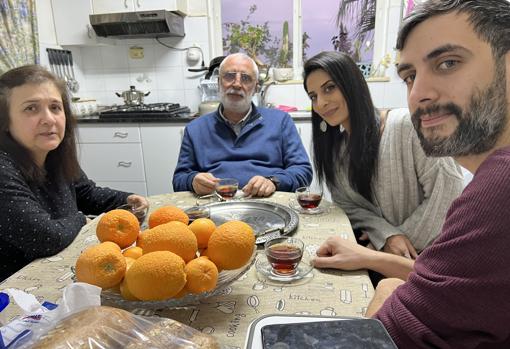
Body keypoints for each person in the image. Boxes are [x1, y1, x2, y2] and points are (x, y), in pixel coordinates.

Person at [314, 0, 510, 347]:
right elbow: (354, 208)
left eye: (448, 63)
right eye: (409, 77)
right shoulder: (335, 148)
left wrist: (386, 265)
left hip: (421, 255)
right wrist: (387, 236)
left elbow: (385, 334)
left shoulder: (498, 186)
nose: (418, 93)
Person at [303, 51, 463, 260]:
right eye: (313, 96)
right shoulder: (336, 153)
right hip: (381, 257)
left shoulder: (407, 126)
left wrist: (397, 243)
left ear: (353, 85)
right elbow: (348, 207)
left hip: (437, 257)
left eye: (329, 88)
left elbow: (448, 192)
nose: (321, 103)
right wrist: (386, 236)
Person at [0, 65, 149, 281]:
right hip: (15, 294)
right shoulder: (3, 168)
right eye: (31, 108)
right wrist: (81, 219)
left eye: (55, 107)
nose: (49, 119)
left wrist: (125, 199)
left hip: (59, 272)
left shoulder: (52, 155)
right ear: (5, 121)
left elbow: (87, 193)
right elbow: (45, 238)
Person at [172, 53, 312, 197]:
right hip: (213, 204)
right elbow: (179, 179)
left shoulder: (281, 121)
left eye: (245, 78)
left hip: (268, 203)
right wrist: (192, 181)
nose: (237, 84)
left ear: (256, 87)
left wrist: (274, 181)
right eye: (229, 76)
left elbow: (303, 171)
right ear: (219, 82)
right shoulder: (195, 128)